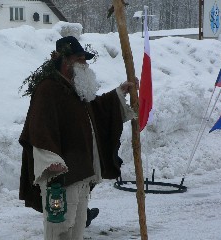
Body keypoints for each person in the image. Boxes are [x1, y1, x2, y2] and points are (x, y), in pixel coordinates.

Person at [19, 36, 136, 240]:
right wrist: (51, 160)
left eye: (85, 59)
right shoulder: (49, 89)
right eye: (80, 59)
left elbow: (96, 110)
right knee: (60, 230)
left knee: (77, 230)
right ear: (65, 62)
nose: (85, 63)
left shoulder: (76, 89)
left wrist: (119, 93)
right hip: (61, 178)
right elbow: (39, 128)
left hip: (81, 173)